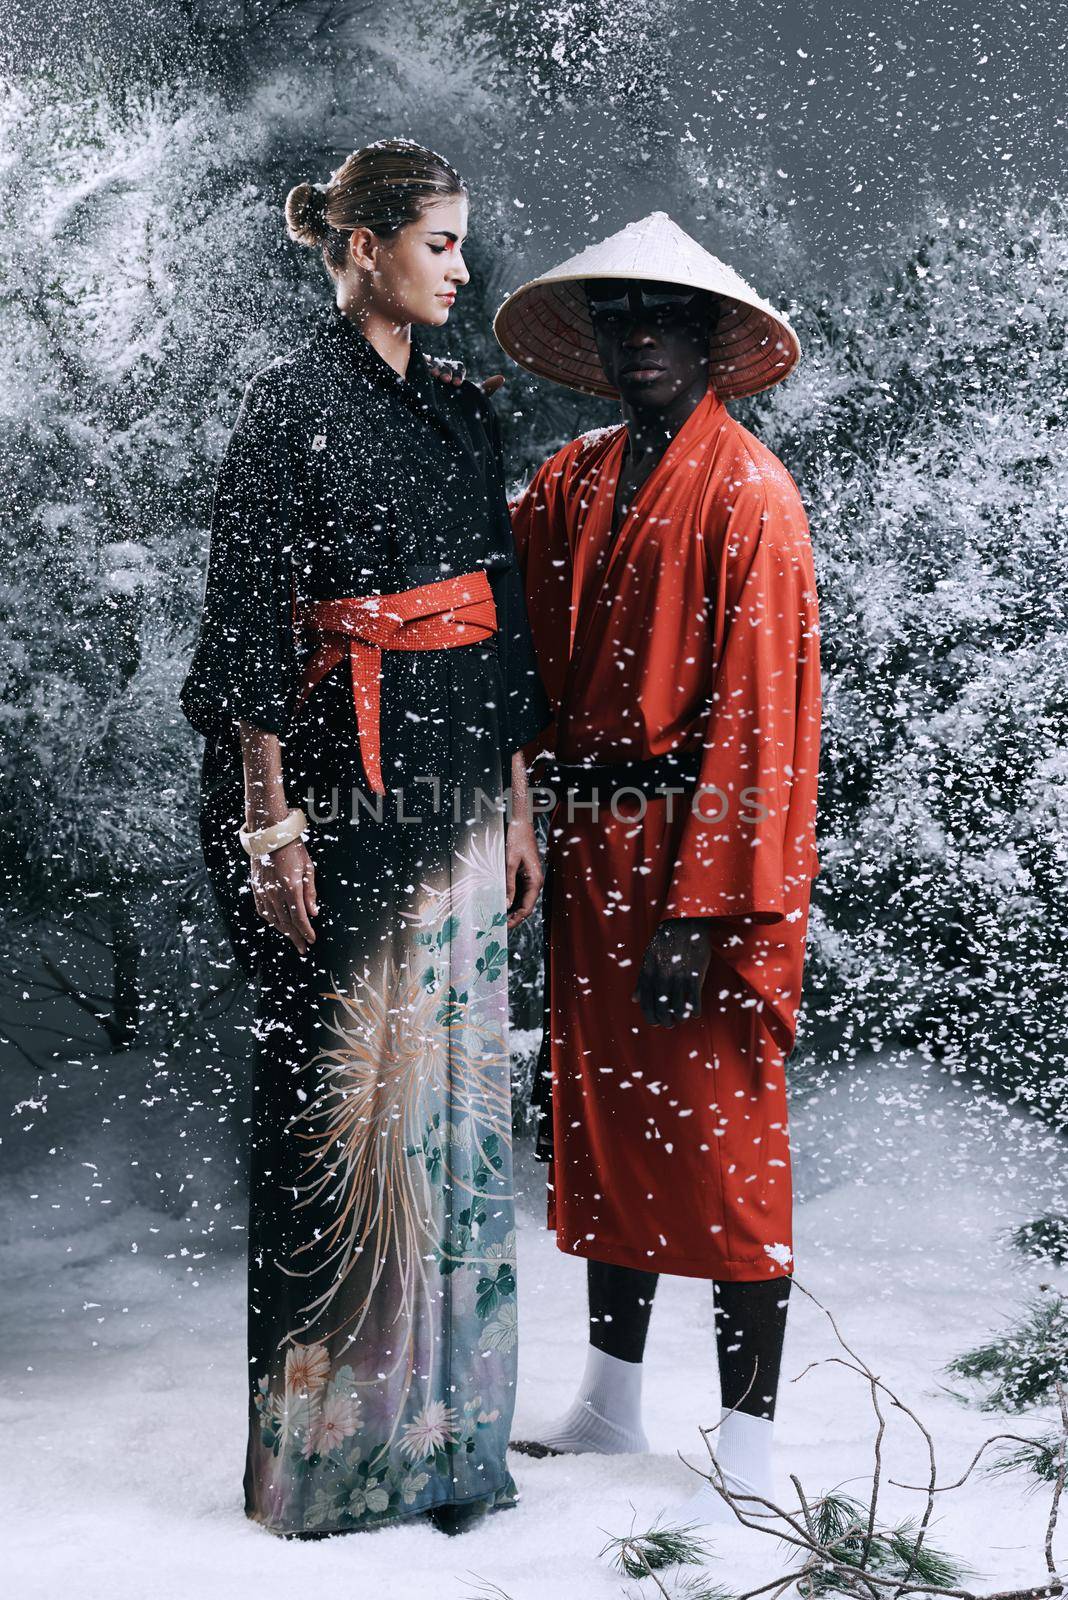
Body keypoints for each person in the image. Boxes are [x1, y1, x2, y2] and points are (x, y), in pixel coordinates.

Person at [179, 139, 549, 1539]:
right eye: (441, 242)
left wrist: (520, 808)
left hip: (459, 785)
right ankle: (332, 1464)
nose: (462, 266)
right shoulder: (287, 412)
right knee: (339, 1109)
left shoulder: (465, 415)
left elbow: (505, 619)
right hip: (338, 795)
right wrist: (271, 826)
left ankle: (449, 1444)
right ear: (365, 248)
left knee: (453, 1111)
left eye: (463, 241)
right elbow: (244, 643)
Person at [493, 212, 822, 1527]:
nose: (641, 338)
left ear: (713, 344)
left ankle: (747, 1439)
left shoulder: (751, 493)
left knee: (728, 1148)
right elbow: (502, 639)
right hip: (589, 855)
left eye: (666, 319)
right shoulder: (572, 482)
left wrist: (708, 912)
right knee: (609, 1129)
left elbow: (764, 725)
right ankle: (613, 1403)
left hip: (701, 864)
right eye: (622, 318)